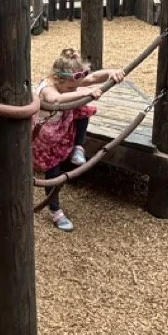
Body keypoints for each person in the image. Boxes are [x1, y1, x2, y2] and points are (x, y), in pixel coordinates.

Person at [33, 48, 125, 232]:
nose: (74, 88)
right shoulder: (47, 88)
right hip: (46, 135)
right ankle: (55, 210)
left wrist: (110, 72)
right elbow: (57, 98)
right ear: (58, 79)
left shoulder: (69, 80)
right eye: (70, 87)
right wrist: (85, 93)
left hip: (62, 126)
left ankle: (78, 147)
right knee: (54, 172)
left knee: (83, 111)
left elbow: (91, 78)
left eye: (76, 85)